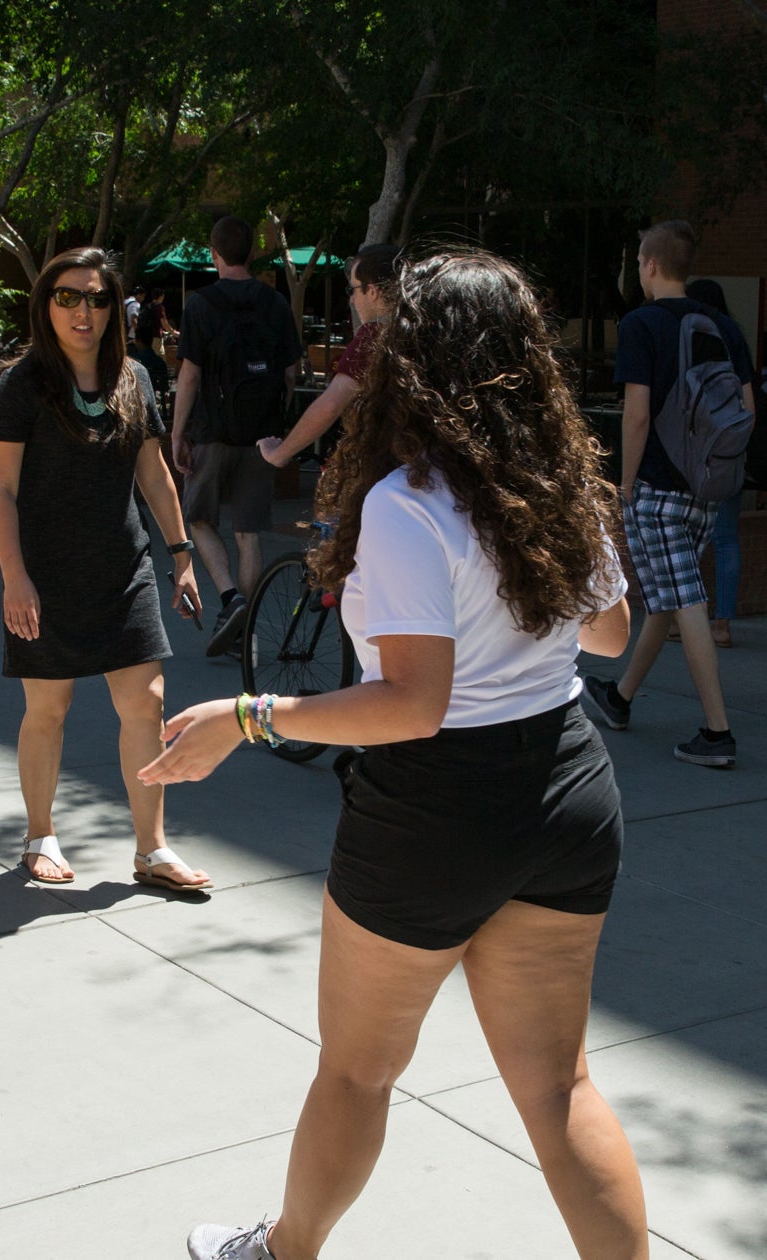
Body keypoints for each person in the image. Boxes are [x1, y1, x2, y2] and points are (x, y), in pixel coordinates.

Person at [140, 249, 647, 1260]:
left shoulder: (409, 503)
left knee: (359, 1072)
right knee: (560, 1088)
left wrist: (247, 717)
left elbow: (415, 705)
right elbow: (610, 636)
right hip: (567, 784)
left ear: (412, 363)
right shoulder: (552, 483)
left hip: (434, 812)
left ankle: (281, 1254)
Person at [0, 248, 212, 891]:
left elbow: (153, 472)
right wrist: (15, 577)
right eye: (67, 297)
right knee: (48, 709)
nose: (83, 311)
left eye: (96, 298)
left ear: (114, 307)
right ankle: (40, 835)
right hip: (45, 575)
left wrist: (181, 553)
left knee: (147, 704)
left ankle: (152, 849)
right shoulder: (24, 383)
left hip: (124, 568)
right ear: (46, 305)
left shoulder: (134, 378)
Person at [583, 221, 753, 768]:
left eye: (637, 262)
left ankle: (717, 732)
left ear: (651, 265)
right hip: (709, 486)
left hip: (657, 486)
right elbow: (746, 409)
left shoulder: (642, 323)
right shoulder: (724, 325)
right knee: (666, 593)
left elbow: (636, 416)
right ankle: (620, 696)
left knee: (685, 598)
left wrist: (627, 485)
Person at [170, 216, 301, 656]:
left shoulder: (201, 305)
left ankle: (232, 599)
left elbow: (190, 376)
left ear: (214, 254)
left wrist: (177, 432)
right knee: (249, 532)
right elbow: (290, 372)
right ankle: (242, 629)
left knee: (199, 519)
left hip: (212, 431)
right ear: (251, 253)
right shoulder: (275, 303)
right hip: (262, 437)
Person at [258, 244, 400, 469]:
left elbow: (330, 405)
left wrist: (279, 453)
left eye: (351, 290)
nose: (351, 300)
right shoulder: (424, 331)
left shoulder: (375, 337)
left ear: (372, 291)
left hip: (387, 473)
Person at [682, 277, 742, 649]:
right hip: (731, 448)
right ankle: (723, 623)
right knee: (726, 539)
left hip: (698, 450)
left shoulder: (694, 334)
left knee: (686, 538)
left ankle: (681, 621)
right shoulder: (735, 336)